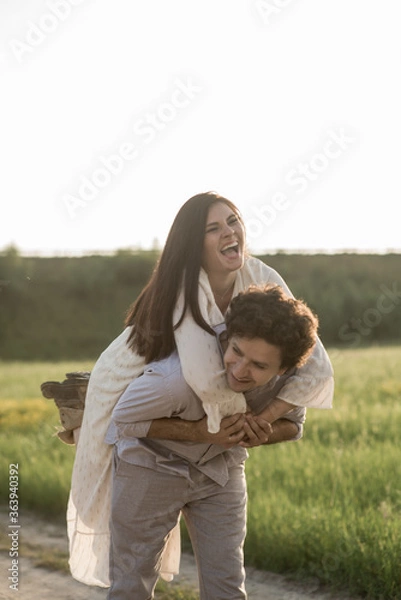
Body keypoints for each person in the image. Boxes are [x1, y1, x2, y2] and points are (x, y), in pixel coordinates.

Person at [67, 191, 334, 587]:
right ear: (194, 245)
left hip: (217, 465)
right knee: (130, 576)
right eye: (214, 228)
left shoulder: (261, 277)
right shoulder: (183, 288)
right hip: (134, 390)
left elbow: (315, 366)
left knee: (227, 584)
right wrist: (221, 429)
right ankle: (80, 414)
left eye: (233, 220)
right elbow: (203, 374)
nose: (230, 231)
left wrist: (263, 421)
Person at [105, 283, 318, 599]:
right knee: (131, 584)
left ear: (283, 368)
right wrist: (199, 432)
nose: (241, 370)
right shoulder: (172, 380)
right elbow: (121, 421)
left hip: (220, 471)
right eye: (237, 352)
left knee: (227, 586)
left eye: (259, 366)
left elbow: (294, 426)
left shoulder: (289, 384)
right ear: (227, 338)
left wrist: (264, 433)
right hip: (149, 466)